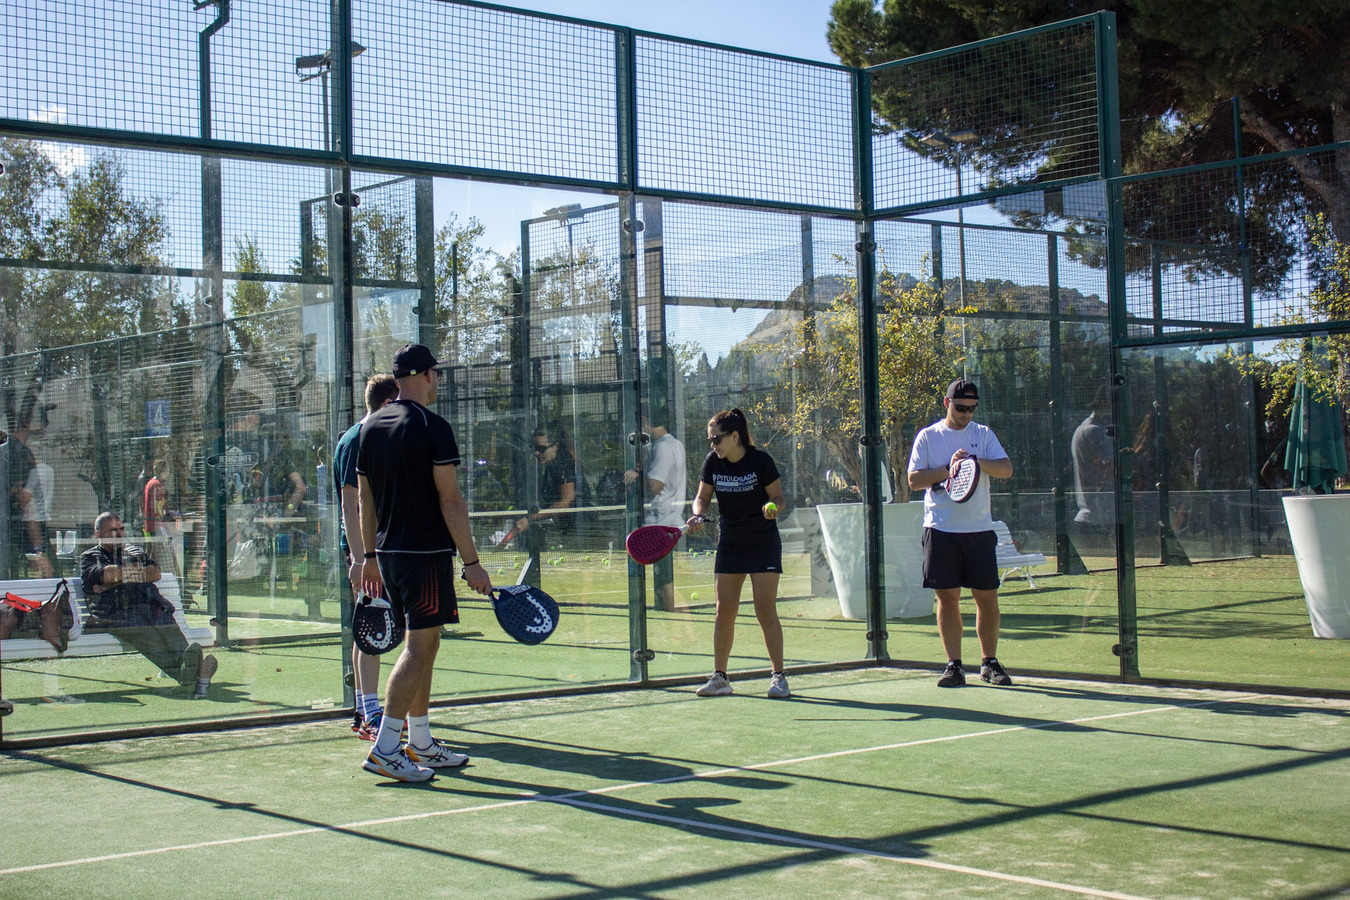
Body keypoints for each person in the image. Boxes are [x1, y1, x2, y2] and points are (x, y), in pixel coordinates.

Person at [357, 343, 493, 782]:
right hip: (425, 556)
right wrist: (472, 562)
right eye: (437, 374)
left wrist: (369, 556)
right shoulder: (433, 426)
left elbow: (365, 497)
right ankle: (386, 747)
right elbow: (450, 500)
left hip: (390, 556)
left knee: (425, 646)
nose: (439, 382)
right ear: (427, 375)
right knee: (418, 650)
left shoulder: (369, 426)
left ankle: (420, 742)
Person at [906, 379, 1015, 688]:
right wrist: (948, 469)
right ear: (947, 403)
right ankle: (954, 665)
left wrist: (975, 462)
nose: (966, 414)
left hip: (978, 531)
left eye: (971, 409)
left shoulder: (983, 435)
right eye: (961, 408)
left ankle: (989, 663)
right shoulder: (928, 436)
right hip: (941, 530)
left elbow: (1006, 469)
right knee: (948, 599)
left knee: (987, 598)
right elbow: (914, 480)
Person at [687, 408, 790, 699]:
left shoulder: (761, 461)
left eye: (717, 439)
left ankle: (778, 677)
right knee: (724, 611)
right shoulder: (713, 463)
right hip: (730, 544)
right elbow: (702, 498)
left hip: (763, 543)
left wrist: (774, 508)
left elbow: (779, 497)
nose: (713, 445)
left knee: (764, 610)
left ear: (735, 436)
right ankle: (720, 678)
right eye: (710, 440)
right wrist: (698, 515)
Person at [79, 512, 217, 698]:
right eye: (113, 530)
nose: (120, 534)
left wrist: (116, 581)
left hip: (149, 605)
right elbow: (107, 574)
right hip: (116, 613)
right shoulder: (89, 557)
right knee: (148, 634)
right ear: (99, 534)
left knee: (167, 626)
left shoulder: (133, 551)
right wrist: (131, 574)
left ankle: (189, 671)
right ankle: (192, 675)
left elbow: (154, 573)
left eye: (121, 529)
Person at [333, 373, 399, 740]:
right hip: (365, 552)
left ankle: (365, 711)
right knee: (372, 628)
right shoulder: (357, 439)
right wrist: (360, 558)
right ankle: (370, 714)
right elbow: (349, 502)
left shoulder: (370, 436)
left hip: (375, 551)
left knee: (368, 630)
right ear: (389, 403)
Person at [624, 412, 687, 610]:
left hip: (659, 526)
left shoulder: (664, 447)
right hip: (667, 523)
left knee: (663, 585)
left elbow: (655, 487)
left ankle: (674, 617)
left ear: (645, 420)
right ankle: (671, 617)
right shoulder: (675, 444)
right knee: (663, 583)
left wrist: (637, 476)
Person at [514, 421, 577, 551]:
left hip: (575, 529)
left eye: (542, 448)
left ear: (556, 446)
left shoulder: (562, 463)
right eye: (535, 448)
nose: (537, 452)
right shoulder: (550, 466)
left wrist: (530, 519)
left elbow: (567, 502)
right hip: (564, 528)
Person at [1071, 388, 1115, 527]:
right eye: (1111, 404)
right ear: (1103, 403)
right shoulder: (1093, 431)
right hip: (1095, 517)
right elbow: (1113, 464)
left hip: (1092, 515)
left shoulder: (1085, 428)